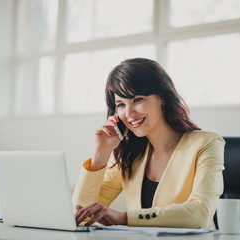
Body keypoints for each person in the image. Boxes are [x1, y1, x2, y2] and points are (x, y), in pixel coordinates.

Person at [72, 58, 225, 229]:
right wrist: (101, 155)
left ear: (162, 97)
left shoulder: (206, 143)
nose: (129, 113)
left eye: (137, 99)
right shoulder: (129, 155)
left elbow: (200, 213)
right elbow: (82, 215)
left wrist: (122, 218)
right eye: (121, 104)